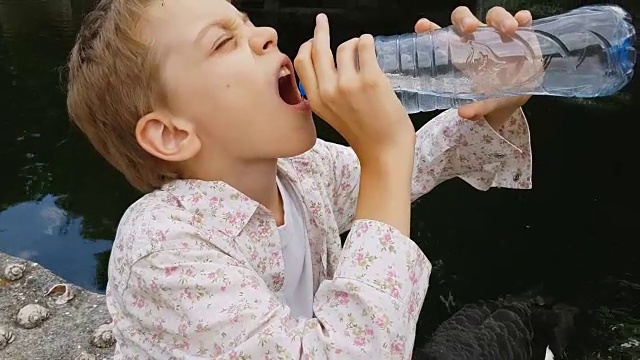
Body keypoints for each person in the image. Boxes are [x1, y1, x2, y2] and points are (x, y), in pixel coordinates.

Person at [66, 0, 534, 358]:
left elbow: (419, 164)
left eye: (248, 22)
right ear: (171, 134)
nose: (267, 34)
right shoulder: (162, 248)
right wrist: (384, 156)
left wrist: (495, 97)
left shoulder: (298, 171)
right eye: (223, 42)